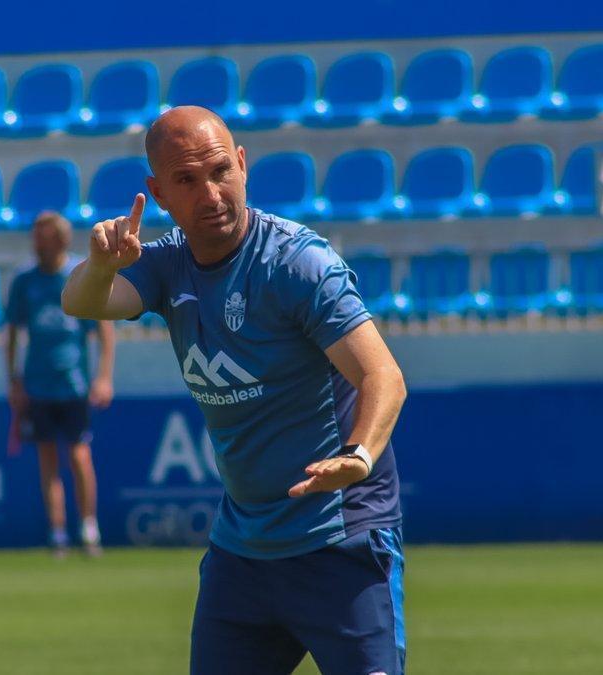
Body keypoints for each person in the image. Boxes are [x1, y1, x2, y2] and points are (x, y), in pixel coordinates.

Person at [61, 106, 409, 674]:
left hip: (341, 538)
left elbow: (383, 376)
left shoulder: (298, 263)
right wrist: (101, 266)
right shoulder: (167, 263)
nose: (211, 193)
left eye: (221, 171)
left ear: (243, 165)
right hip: (244, 553)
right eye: (187, 181)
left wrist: (359, 454)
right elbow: (81, 301)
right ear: (159, 192)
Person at [6, 211, 114, 558]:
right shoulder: (25, 281)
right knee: (47, 458)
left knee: (80, 455)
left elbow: (104, 329)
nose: (38, 244)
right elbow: (12, 333)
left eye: (45, 237)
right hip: (38, 384)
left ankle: (89, 527)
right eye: (36, 237)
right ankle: (57, 532)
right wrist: (15, 380)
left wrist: (103, 377)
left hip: (74, 383)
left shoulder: (78, 274)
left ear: (61, 240)